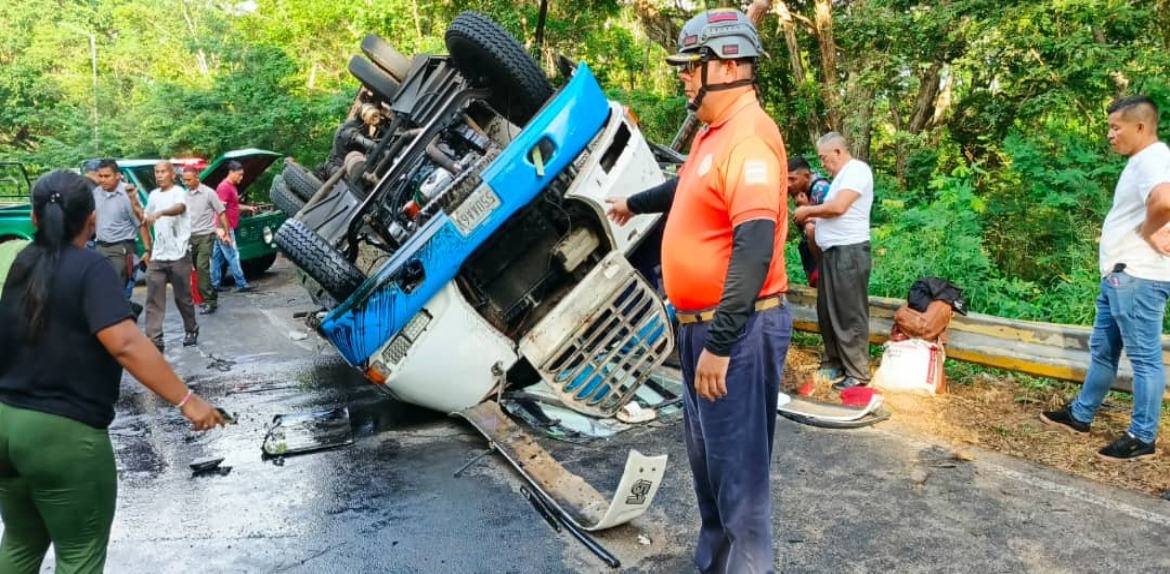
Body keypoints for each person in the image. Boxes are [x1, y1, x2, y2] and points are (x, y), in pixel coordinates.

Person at [607, 9, 790, 573]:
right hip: (698, 326)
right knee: (710, 472)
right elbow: (683, 185)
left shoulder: (751, 139)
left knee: (739, 483)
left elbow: (755, 248)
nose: (684, 76)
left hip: (732, 328)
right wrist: (631, 204)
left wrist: (722, 343)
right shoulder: (715, 136)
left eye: (693, 65)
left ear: (730, 65)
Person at [0, 170, 224, 573]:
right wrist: (187, 401)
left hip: (6, 423)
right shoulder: (91, 269)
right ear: (92, 220)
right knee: (79, 554)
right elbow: (124, 343)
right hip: (63, 436)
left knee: (20, 542)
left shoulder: (19, 262)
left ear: (34, 219)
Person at [1041, 95, 1170, 461]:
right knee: (1103, 350)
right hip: (1120, 277)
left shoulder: (1153, 157)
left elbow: (1164, 200)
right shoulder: (1142, 161)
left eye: (1117, 127)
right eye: (1109, 127)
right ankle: (1080, 414)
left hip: (1138, 278)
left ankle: (1142, 437)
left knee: (1144, 359)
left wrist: (1149, 231)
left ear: (1141, 127)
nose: (1110, 135)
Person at [794, 132, 874, 391]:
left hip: (849, 252)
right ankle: (835, 362)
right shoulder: (840, 177)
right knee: (828, 311)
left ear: (838, 151)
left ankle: (858, 372)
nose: (823, 164)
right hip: (832, 253)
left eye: (824, 158)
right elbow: (834, 215)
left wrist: (808, 211)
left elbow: (839, 207)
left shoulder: (857, 170)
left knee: (849, 313)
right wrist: (815, 220)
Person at [143, 161, 198, 350]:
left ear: (172, 175)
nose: (159, 175)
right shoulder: (153, 195)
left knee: (183, 298)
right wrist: (147, 248)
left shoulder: (179, 193)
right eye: (156, 172)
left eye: (163, 172)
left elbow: (180, 208)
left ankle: (191, 328)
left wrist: (161, 213)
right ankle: (155, 338)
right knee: (154, 298)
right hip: (158, 256)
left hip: (179, 254)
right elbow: (144, 221)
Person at [93, 159, 149, 320]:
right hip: (100, 247)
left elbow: (141, 223)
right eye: (100, 176)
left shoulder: (128, 195)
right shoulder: (96, 193)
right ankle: (130, 310)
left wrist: (147, 249)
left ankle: (122, 320)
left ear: (117, 176)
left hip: (122, 249)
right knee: (100, 289)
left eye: (107, 176)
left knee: (115, 289)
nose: (103, 180)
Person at [180, 166, 231, 314]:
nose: (187, 182)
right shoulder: (184, 196)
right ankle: (210, 296)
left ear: (197, 178)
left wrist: (226, 232)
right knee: (197, 267)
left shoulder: (209, 193)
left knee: (202, 267)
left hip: (206, 236)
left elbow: (221, 212)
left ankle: (209, 301)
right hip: (191, 237)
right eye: (184, 180)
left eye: (189, 179)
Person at [211, 161, 255, 294]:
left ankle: (214, 284)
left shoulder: (232, 187)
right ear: (231, 172)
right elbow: (220, 210)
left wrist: (248, 207)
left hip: (225, 227)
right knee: (233, 255)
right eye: (239, 175)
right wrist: (222, 231)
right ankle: (241, 284)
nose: (241, 178)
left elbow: (233, 206)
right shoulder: (224, 187)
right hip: (225, 227)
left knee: (217, 257)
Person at [788, 156, 831, 286]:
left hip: (825, 247)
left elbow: (833, 220)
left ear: (807, 176)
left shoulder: (821, 190)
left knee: (810, 228)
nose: (789, 184)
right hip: (808, 245)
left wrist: (806, 209)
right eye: (786, 179)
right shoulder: (797, 189)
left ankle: (823, 273)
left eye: (793, 179)